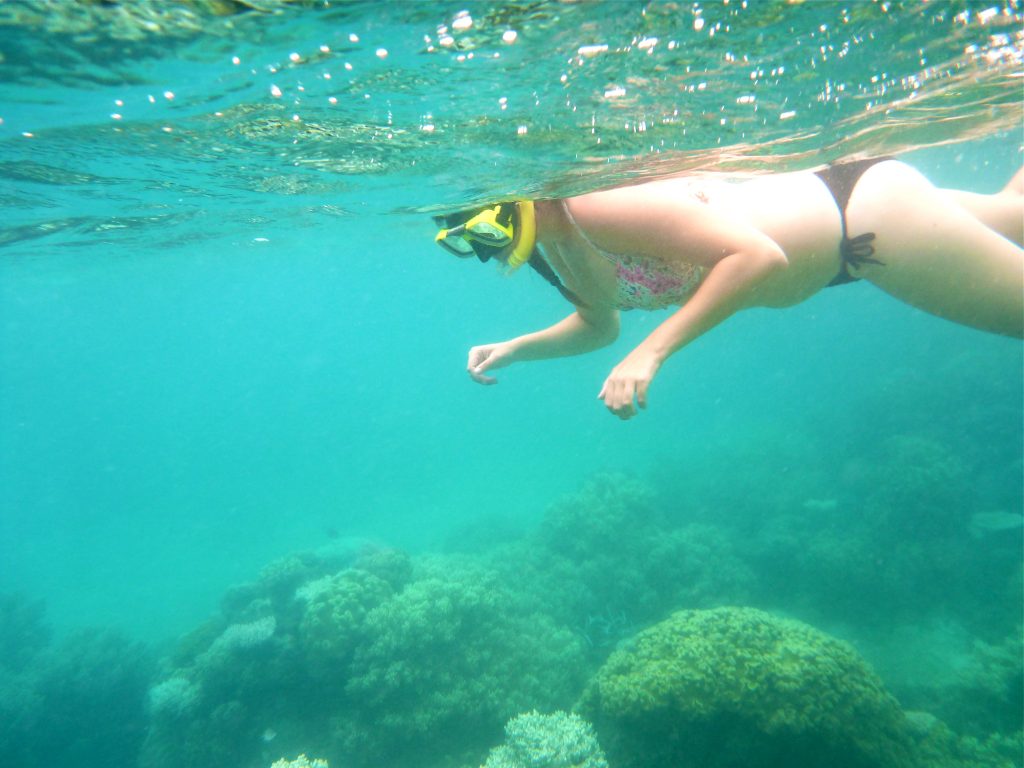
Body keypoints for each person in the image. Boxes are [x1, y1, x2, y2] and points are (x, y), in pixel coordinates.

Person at [434, 158, 1024, 420]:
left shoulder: (592, 204)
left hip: (867, 222)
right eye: (464, 241)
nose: (486, 247)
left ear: (513, 198)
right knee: (1014, 210)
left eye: (485, 226)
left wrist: (652, 351)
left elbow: (758, 255)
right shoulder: (555, 243)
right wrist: (516, 348)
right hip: (851, 242)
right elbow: (600, 323)